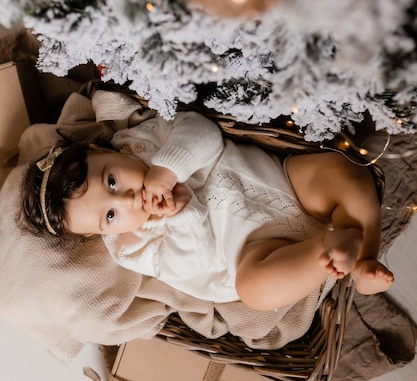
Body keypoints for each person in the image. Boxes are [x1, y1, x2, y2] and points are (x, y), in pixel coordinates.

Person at [21, 110, 394, 312]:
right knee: (257, 292)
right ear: (100, 234)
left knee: (341, 171)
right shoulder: (130, 246)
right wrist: (182, 216)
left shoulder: (140, 142)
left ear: (104, 151)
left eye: (112, 182)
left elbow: (200, 129)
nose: (127, 200)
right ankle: (326, 251)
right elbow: (189, 267)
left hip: (282, 183)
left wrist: (168, 169)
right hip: (252, 255)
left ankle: (363, 257)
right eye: (110, 216)